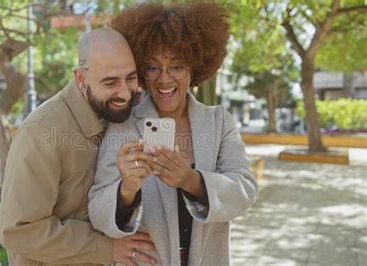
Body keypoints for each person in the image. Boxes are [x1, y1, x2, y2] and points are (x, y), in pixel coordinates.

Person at [88, 3, 258, 266]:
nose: (164, 80)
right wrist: (126, 190)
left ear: (194, 68)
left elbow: (244, 192)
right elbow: (98, 210)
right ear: (142, 72)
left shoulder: (219, 122)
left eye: (176, 67)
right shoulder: (124, 126)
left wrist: (191, 180)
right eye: (153, 68)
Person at [0, 28, 157, 266]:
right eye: (110, 81)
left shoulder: (117, 118)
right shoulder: (42, 131)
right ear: (81, 79)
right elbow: (19, 230)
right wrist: (105, 248)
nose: (125, 92)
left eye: (131, 78)